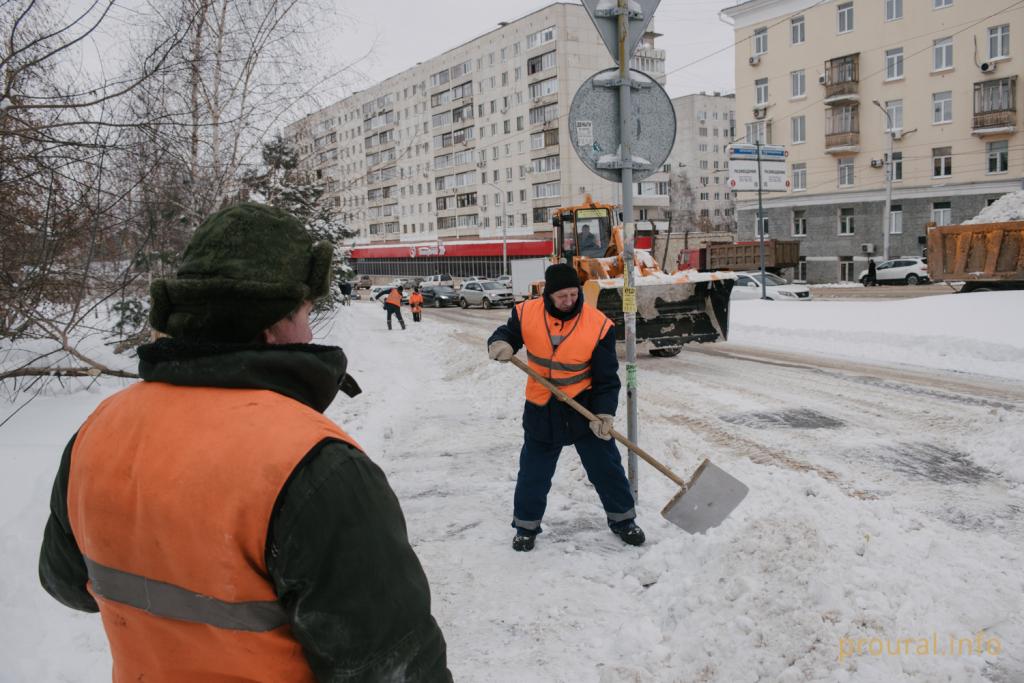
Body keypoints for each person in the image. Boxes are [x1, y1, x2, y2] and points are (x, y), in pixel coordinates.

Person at [38, 203, 451, 682]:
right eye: (306, 312)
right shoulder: (315, 466)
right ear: (273, 325)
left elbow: (65, 584)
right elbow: (393, 670)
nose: (310, 330)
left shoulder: (98, 431)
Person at [486, 263, 644, 552]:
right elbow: (507, 333)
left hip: (583, 406)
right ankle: (525, 527)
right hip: (541, 407)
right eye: (563, 296)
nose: (569, 301)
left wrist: (605, 413)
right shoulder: (526, 313)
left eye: (574, 294)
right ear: (548, 295)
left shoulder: (598, 325)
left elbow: (607, 377)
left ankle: (624, 520)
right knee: (533, 472)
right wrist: (499, 343)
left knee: (606, 467)